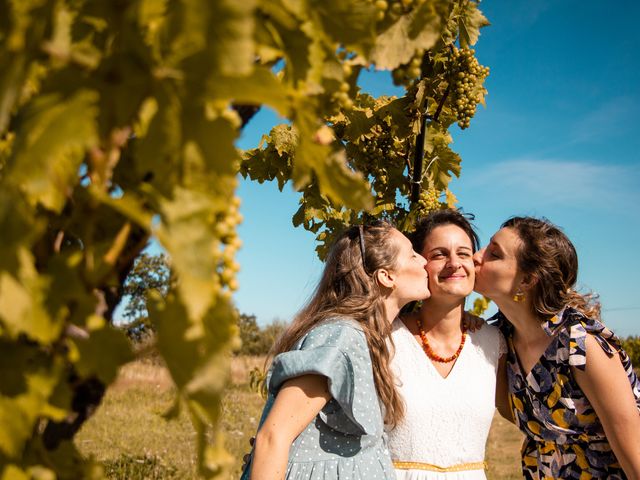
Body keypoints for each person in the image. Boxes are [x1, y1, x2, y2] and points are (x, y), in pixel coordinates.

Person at [242, 221, 430, 480]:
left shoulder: (366, 339)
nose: (424, 261)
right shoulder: (341, 336)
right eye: (412, 254)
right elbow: (272, 437)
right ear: (387, 276)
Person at [473, 216, 640, 479]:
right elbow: (510, 413)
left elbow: (636, 458)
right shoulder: (501, 340)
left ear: (527, 281)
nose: (476, 256)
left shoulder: (581, 346)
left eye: (493, 253)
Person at [388, 209, 511, 479]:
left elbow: (525, 417)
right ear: (420, 264)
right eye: (439, 254)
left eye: (464, 253)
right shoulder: (386, 338)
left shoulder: (494, 343)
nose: (454, 263)